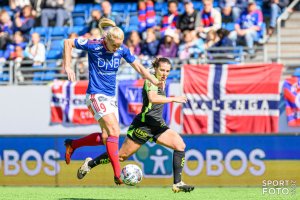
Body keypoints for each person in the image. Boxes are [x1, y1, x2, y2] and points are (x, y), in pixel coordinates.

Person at [63, 18, 165, 185]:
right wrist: (67, 66)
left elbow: (138, 67)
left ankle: (73, 145)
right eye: (114, 45)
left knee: (106, 137)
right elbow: (68, 42)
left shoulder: (122, 50)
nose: (117, 49)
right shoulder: (93, 45)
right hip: (95, 95)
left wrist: (154, 80)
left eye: (119, 45)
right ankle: (118, 175)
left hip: (111, 97)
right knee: (115, 131)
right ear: (106, 40)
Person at [75, 57, 195, 193]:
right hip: (143, 126)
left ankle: (177, 183)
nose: (164, 73)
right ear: (155, 69)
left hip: (157, 125)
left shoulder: (163, 81)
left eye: (167, 71)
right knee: (121, 156)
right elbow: (152, 98)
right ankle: (90, 164)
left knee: (180, 145)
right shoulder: (151, 80)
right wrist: (174, 98)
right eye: (162, 70)